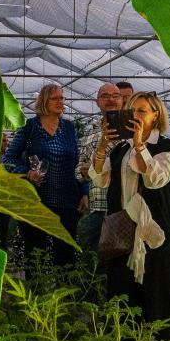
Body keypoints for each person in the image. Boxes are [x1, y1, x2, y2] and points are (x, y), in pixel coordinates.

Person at [90, 90, 170, 334]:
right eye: (132, 110)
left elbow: (154, 178)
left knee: (156, 293)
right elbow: (98, 177)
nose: (136, 115)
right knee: (122, 292)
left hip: (153, 234)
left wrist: (141, 145)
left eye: (142, 110)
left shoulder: (168, 148)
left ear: (156, 115)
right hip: (123, 231)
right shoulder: (121, 149)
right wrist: (102, 146)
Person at [1, 83, 83, 268]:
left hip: (67, 202)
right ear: (44, 101)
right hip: (37, 201)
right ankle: (35, 294)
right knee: (35, 256)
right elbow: (9, 158)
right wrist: (27, 173)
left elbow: (75, 163)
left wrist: (83, 191)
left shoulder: (69, 128)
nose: (60, 102)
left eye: (62, 98)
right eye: (55, 98)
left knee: (66, 258)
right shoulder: (30, 126)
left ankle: (64, 296)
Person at [76, 82, 125, 253]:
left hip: (126, 208)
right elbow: (78, 172)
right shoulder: (89, 137)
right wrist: (84, 171)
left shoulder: (133, 132)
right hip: (99, 208)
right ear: (97, 102)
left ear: (122, 101)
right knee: (94, 259)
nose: (111, 99)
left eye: (115, 96)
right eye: (105, 96)